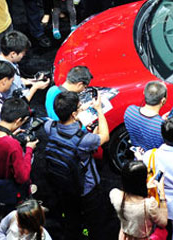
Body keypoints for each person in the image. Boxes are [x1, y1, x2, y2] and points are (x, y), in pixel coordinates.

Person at [43, 90, 109, 240]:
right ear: (73, 114)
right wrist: (98, 110)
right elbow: (104, 136)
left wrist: (78, 114)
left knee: (72, 217)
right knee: (94, 220)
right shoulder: (85, 140)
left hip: (62, 184)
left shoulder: (49, 127)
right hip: (86, 188)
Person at [0, 97, 37, 234]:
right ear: (18, 121)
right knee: (12, 222)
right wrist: (29, 149)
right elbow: (22, 177)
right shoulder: (12, 145)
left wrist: (10, 135)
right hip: (9, 192)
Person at [110, 161, 168, 240]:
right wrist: (162, 193)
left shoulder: (115, 195)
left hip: (124, 236)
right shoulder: (149, 204)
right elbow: (163, 222)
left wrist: (145, 187)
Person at [0, 30, 50, 100]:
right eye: (23, 53)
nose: (24, 55)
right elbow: (17, 103)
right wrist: (35, 87)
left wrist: (33, 81)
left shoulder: (2, 59)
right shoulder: (5, 74)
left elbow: (17, 81)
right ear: (13, 54)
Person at [124, 81, 167, 152]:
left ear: (144, 93)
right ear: (163, 100)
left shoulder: (130, 111)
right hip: (153, 161)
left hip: (138, 156)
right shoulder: (162, 126)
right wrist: (162, 122)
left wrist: (160, 121)